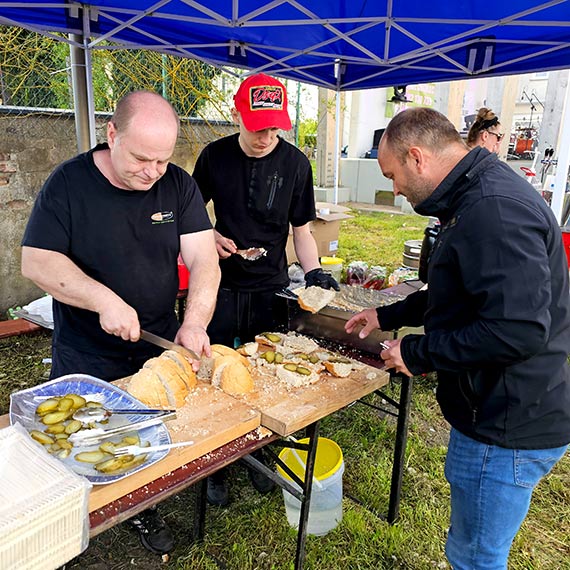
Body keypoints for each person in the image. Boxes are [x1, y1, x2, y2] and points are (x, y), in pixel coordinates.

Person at [345, 107, 570, 569]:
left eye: (394, 175)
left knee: (476, 556)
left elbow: (517, 331)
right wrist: (386, 314)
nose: (396, 189)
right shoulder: (472, 194)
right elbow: (459, 292)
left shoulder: (494, 210)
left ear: (416, 157)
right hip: (495, 409)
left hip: (506, 423)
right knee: (472, 547)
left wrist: (418, 352)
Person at [21, 90, 221, 555]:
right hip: (86, 350)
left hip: (156, 346)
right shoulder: (68, 184)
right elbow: (37, 261)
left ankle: (142, 507)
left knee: (142, 438)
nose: (153, 172)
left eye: (162, 160)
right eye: (142, 158)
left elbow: (204, 259)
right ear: (112, 134)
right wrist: (101, 299)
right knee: (76, 445)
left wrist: (193, 323)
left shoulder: (177, 185)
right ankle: (63, 532)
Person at [192, 73, 339, 507]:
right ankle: (216, 464)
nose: (266, 136)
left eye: (275, 127)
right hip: (219, 284)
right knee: (214, 373)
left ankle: (259, 452)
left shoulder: (296, 164)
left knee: (266, 376)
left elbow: (303, 230)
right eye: (258, 126)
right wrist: (209, 238)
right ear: (239, 115)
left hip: (271, 285)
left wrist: (313, 273)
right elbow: (191, 216)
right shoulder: (214, 157)